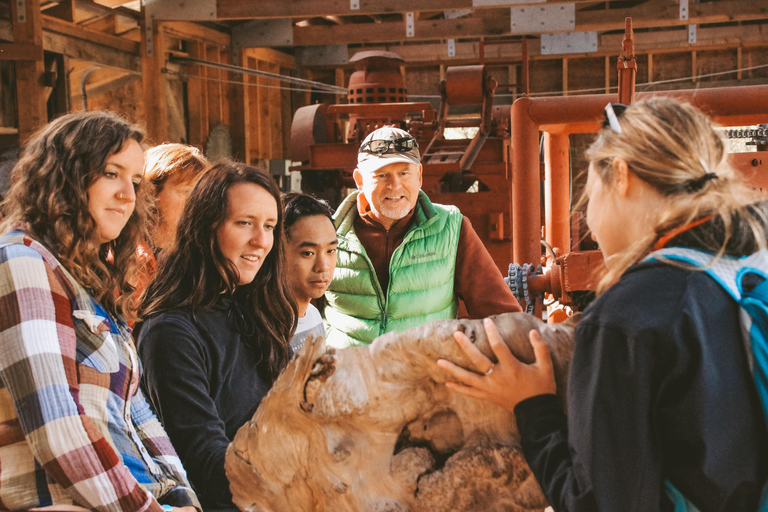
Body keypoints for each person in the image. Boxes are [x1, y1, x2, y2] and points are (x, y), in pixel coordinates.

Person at [438, 98, 768, 511]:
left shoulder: (628, 316)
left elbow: (598, 504)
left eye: (590, 195)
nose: (591, 224)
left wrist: (532, 406)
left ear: (622, 176)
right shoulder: (753, 261)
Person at [0, 111, 200, 512]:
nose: (128, 195)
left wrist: (182, 495)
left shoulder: (88, 279)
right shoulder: (21, 261)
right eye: (111, 173)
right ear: (65, 175)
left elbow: (136, 413)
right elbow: (56, 427)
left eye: (136, 181)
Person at [138, 162, 296, 511]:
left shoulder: (257, 313)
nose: (261, 241)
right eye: (245, 223)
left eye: (269, 226)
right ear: (205, 228)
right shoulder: (170, 331)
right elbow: (206, 462)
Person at [325, 125, 521, 347]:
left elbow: (503, 316)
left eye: (404, 173)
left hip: (427, 367)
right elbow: (301, 313)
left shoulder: (451, 228)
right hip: (348, 368)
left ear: (419, 176)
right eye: (382, 175)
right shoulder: (329, 234)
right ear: (359, 180)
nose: (394, 185)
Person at [282, 193, 338, 352]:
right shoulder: (264, 326)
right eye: (308, 253)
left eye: (331, 251)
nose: (323, 266)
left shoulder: (313, 315)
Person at [144, 143, 209, 253]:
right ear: (151, 192)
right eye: (186, 191)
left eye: (200, 194)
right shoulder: (125, 256)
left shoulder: (204, 255)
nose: (197, 201)